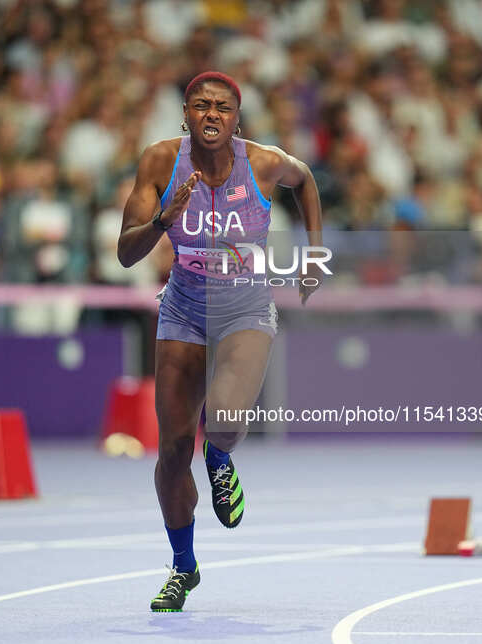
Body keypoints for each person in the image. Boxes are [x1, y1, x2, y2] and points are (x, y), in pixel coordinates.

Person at [118, 71, 322, 612]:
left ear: (237, 118)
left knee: (226, 422)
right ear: (185, 113)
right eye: (201, 105)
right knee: (170, 451)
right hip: (184, 307)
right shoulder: (161, 162)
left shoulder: (263, 162)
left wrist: (315, 254)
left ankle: (222, 457)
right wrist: (164, 220)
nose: (212, 114)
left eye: (223, 107)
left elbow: (307, 183)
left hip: (246, 304)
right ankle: (183, 569)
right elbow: (124, 254)